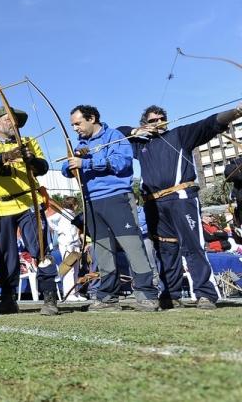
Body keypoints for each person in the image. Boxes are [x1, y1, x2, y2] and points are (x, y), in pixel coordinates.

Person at [118, 105, 242, 309]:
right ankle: (170, 294)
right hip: (154, 203)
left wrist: (236, 112)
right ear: (144, 124)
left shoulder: (180, 134)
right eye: (153, 120)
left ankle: (205, 294)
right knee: (165, 249)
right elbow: (116, 133)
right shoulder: (140, 144)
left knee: (193, 246)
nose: (158, 122)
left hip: (181, 197)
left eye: (161, 118)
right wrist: (134, 132)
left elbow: (209, 124)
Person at [62, 105, 159, 312]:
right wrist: (72, 162)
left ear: (92, 118)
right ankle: (108, 297)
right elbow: (66, 168)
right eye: (72, 125)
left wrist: (86, 162)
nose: (75, 129)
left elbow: (121, 162)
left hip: (117, 198)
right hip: (92, 202)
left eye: (78, 123)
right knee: (102, 251)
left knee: (132, 246)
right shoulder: (80, 144)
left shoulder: (114, 136)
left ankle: (146, 293)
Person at [0, 107, 59, 315]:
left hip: (28, 202)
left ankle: (49, 296)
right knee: (6, 255)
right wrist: (7, 155)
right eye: (7, 119)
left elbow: (43, 167)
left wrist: (29, 158)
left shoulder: (28, 141)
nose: (13, 123)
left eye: (15, 120)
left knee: (39, 248)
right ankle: (7, 298)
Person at [48, 197, 85, 301]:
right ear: (74, 205)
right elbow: (49, 220)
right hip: (66, 243)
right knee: (69, 268)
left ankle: (76, 292)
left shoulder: (73, 215)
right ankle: (69, 294)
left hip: (75, 243)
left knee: (76, 269)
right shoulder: (61, 213)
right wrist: (59, 230)